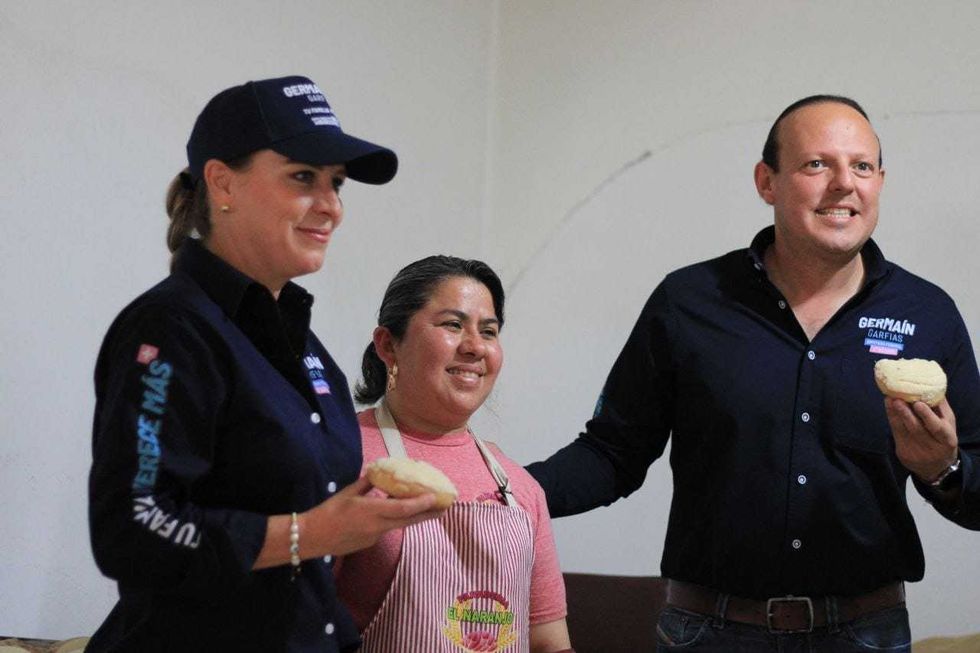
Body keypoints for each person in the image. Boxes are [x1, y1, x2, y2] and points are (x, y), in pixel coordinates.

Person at [527, 96, 980, 651]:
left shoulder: (928, 314)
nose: (844, 183)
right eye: (817, 164)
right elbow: (612, 453)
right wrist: (503, 490)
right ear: (767, 181)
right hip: (707, 632)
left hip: (866, 634)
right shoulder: (688, 301)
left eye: (862, 166)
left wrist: (944, 469)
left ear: (880, 182)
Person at [88, 75, 445, 653]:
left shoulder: (305, 347)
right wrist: (313, 533)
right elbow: (131, 532)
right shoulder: (170, 330)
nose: (330, 206)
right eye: (303, 177)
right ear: (222, 182)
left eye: (336, 184)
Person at [335, 256, 573, 652]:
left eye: (489, 331)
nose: (475, 346)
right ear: (388, 345)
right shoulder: (341, 453)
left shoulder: (520, 487)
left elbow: (549, 641)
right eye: (452, 325)